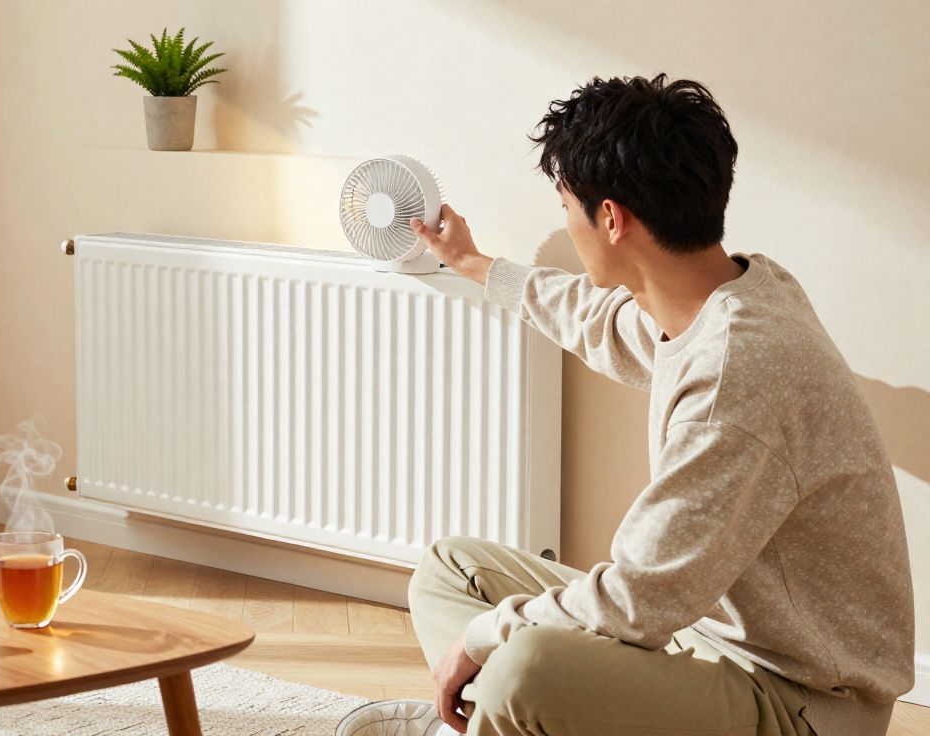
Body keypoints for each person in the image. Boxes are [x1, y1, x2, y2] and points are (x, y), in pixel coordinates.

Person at [335, 74, 914, 736]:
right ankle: (480, 718)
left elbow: (639, 598)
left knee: (526, 663)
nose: (568, 224)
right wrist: (470, 263)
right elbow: (598, 318)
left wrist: (483, 641)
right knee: (451, 571)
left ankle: (487, 710)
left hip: (797, 702)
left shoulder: (740, 373)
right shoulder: (734, 292)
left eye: (567, 208)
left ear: (610, 218)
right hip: (699, 641)